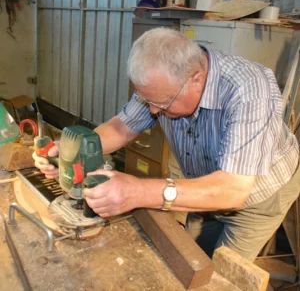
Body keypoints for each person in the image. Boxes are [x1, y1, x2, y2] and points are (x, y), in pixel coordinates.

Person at [33, 27, 300, 262]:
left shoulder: (250, 89)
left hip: (257, 195)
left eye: (161, 104)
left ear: (196, 77)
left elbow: (233, 190)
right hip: (204, 181)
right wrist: (73, 151)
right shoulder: (163, 84)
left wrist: (137, 192)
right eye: (148, 100)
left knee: (222, 276)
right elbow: (123, 126)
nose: (152, 110)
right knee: (192, 257)